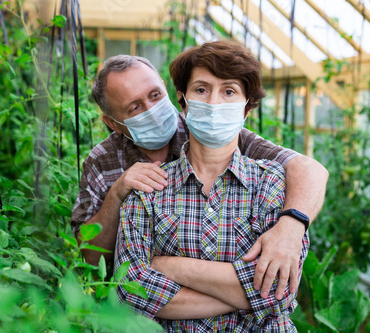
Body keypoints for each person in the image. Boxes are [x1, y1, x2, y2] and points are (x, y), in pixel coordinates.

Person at [72, 51, 327, 299]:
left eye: (155, 95)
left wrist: (291, 227)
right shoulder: (102, 161)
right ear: (113, 124)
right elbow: (91, 259)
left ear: (168, 90)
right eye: (135, 107)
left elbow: (309, 169)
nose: (151, 109)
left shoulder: (208, 129)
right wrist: (117, 193)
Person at [114, 39, 309, 331]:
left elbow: (280, 293)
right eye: (202, 90)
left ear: (246, 108)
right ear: (183, 101)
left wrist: (171, 267)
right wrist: (250, 297)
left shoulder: (273, 183)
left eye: (229, 91)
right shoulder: (149, 189)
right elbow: (131, 290)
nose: (214, 102)